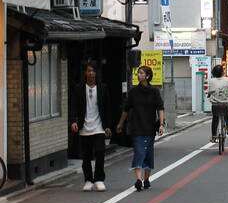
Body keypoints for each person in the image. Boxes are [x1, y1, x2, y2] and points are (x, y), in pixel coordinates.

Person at [117, 65, 164, 191]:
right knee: (139, 152)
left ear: (147, 76)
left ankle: (146, 179)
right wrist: (121, 123)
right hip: (136, 126)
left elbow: (160, 108)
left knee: (148, 153)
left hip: (149, 126)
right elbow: (126, 109)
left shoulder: (154, 91)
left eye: (141, 73)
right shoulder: (133, 92)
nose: (139, 75)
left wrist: (161, 124)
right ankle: (138, 180)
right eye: (138, 73)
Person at [69, 61, 112, 192]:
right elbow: (74, 106)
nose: (91, 73)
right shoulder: (79, 88)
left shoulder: (103, 88)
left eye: (93, 71)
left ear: (96, 73)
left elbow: (107, 108)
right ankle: (88, 179)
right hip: (84, 127)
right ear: (85, 73)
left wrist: (108, 126)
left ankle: (99, 179)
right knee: (86, 156)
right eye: (88, 71)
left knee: (100, 153)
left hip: (99, 127)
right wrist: (74, 121)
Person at [205, 64, 228, 142]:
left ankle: (213, 136)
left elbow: (209, 92)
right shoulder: (227, 80)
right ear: (222, 72)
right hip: (225, 103)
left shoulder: (211, 81)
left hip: (216, 105)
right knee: (227, 114)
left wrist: (209, 95)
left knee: (215, 118)